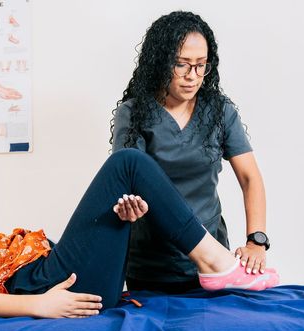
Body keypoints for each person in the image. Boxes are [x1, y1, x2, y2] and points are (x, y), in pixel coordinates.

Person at [0, 149, 279, 319]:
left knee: (127, 188)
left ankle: (215, 261)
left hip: (50, 262)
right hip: (45, 283)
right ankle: (216, 261)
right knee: (127, 164)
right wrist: (37, 306)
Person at [111, 11, 269, 293]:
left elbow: (249, 178)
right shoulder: (134, 114)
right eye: (181, 65)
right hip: (151, 266)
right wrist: (128, 208)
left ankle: (213, 262)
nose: (192, 76)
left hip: (214, 266)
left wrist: (256, 241)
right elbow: (128, 181)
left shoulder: (219, 112)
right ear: (160, 63)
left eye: (200, 66)